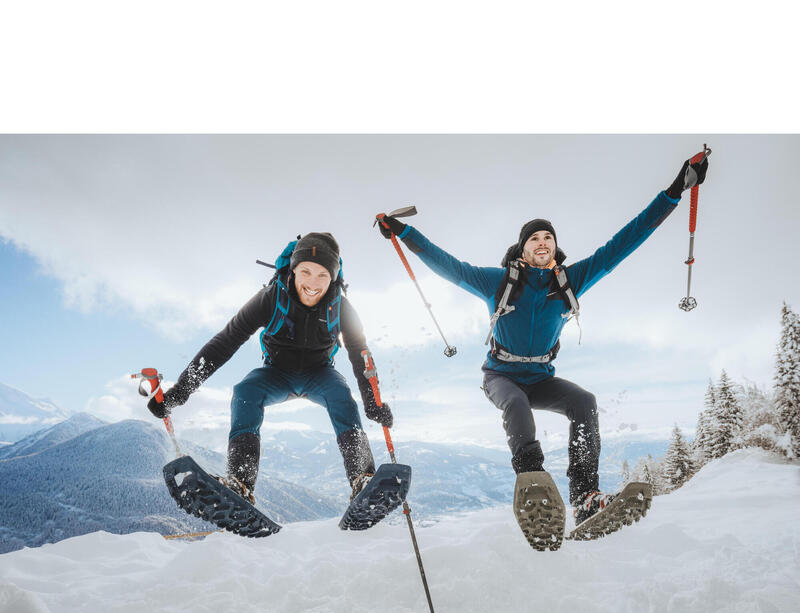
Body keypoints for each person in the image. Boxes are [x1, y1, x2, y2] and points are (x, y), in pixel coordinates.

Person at [377, 154, 709, 525]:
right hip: (500, 377)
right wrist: (404, 233)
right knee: (516, 404)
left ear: (555, 247)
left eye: (548, 237)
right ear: (522, 248)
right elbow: (448, 265)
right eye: (534, 238)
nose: (542, 242)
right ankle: (533, 483)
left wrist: (675, 191)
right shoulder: (498, 282)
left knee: (584, 402)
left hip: (542, 379)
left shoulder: (570, 282)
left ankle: (585, 496)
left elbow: (625, 242)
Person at [148, 232, 393, 504]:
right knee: (245, 392)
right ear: (293, 270)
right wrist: (180, 392)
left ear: (333, 278)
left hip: (320, 374)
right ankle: (240, 483)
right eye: (306, 272)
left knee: (342, 398)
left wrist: (373, 402)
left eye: (323, 275)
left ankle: (363, 479)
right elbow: (225, 342)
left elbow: (361, 354)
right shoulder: (270, 298)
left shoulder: (341, 307)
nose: (313, 283)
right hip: (276, 373)